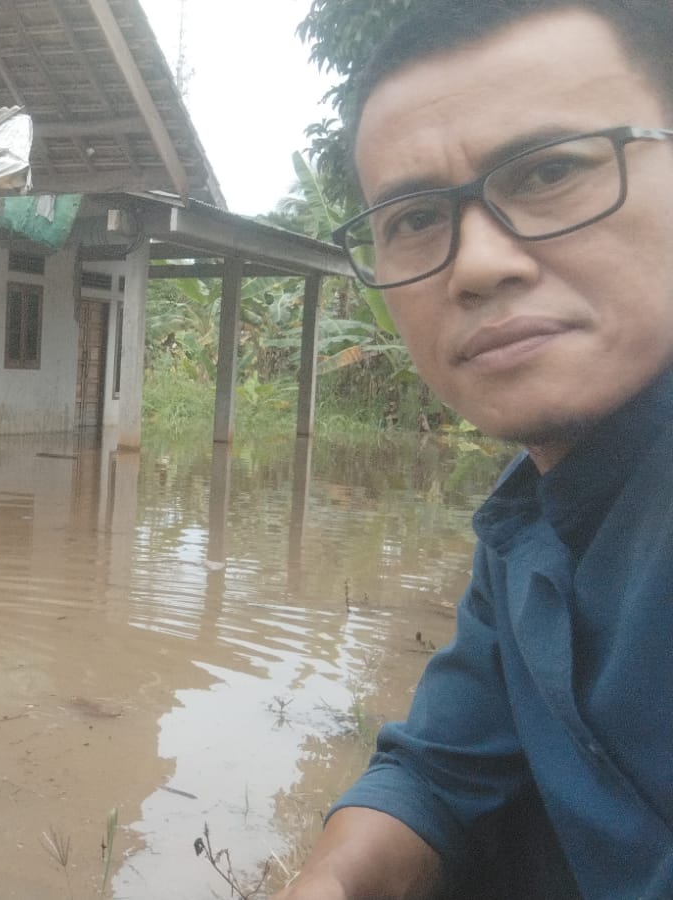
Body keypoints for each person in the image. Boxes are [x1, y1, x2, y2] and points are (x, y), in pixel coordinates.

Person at [276, 2, 673, 897]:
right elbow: (443, 767)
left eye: (549, 171)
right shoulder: (529, 514)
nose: (477, 264)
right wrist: (330, 882)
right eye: (415, 219)